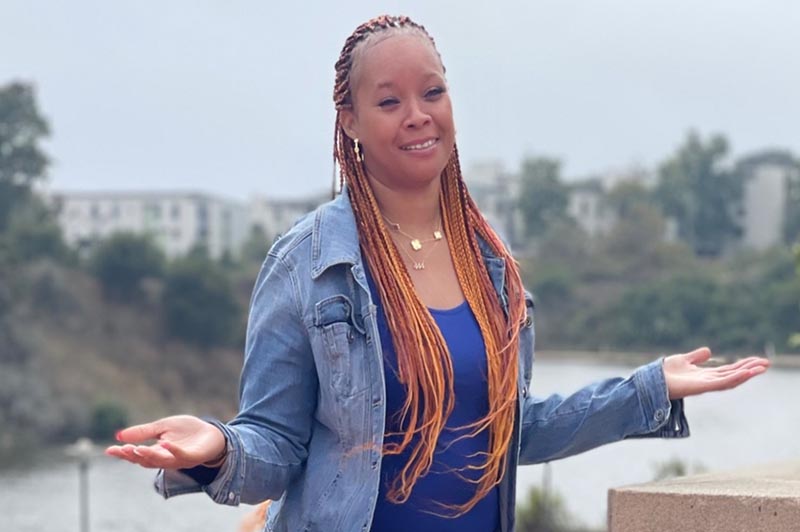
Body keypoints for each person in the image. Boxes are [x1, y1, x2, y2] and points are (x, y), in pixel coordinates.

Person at [105, 14, 770, 532]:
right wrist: (219, 445)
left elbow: (513, 431)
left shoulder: (490, 265)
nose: (419, 115)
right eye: (389, 101)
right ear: (351, 123)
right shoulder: (308, 263)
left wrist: (647, 388)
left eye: (433, 92)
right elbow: (276, 445)